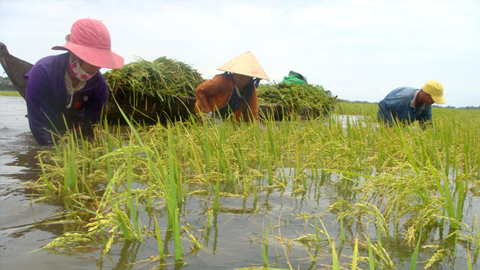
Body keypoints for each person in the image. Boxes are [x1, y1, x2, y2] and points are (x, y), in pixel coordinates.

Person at [25, 18, 124, 145]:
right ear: (74, 55)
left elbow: (90, 130)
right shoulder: (42, 72)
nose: (98, 67)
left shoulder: (99, 86)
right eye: (92, 60)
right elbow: (40, 128)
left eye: (101, 62)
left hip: (74, 124)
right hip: (47, 122)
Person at [194, 51, 270, 124]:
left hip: (225, 118)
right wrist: (208, 112)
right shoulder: (221, 81)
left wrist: (257, 129)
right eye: (236, 74)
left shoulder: (250, 90)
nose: (239, 78)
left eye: (243, 77)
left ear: (250, 78)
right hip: (206, 112)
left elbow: (252, 113)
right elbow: (199, 90)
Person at [377, 80, 446, 127]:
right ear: (426, 95)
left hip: (402, 120)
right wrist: (391, 123)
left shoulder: (426, 105)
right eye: (434, 99)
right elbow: (383, 104)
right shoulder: (404, 97)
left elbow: (426, 123)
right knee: (390, 134)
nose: (434, 102)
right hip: (386, 115)